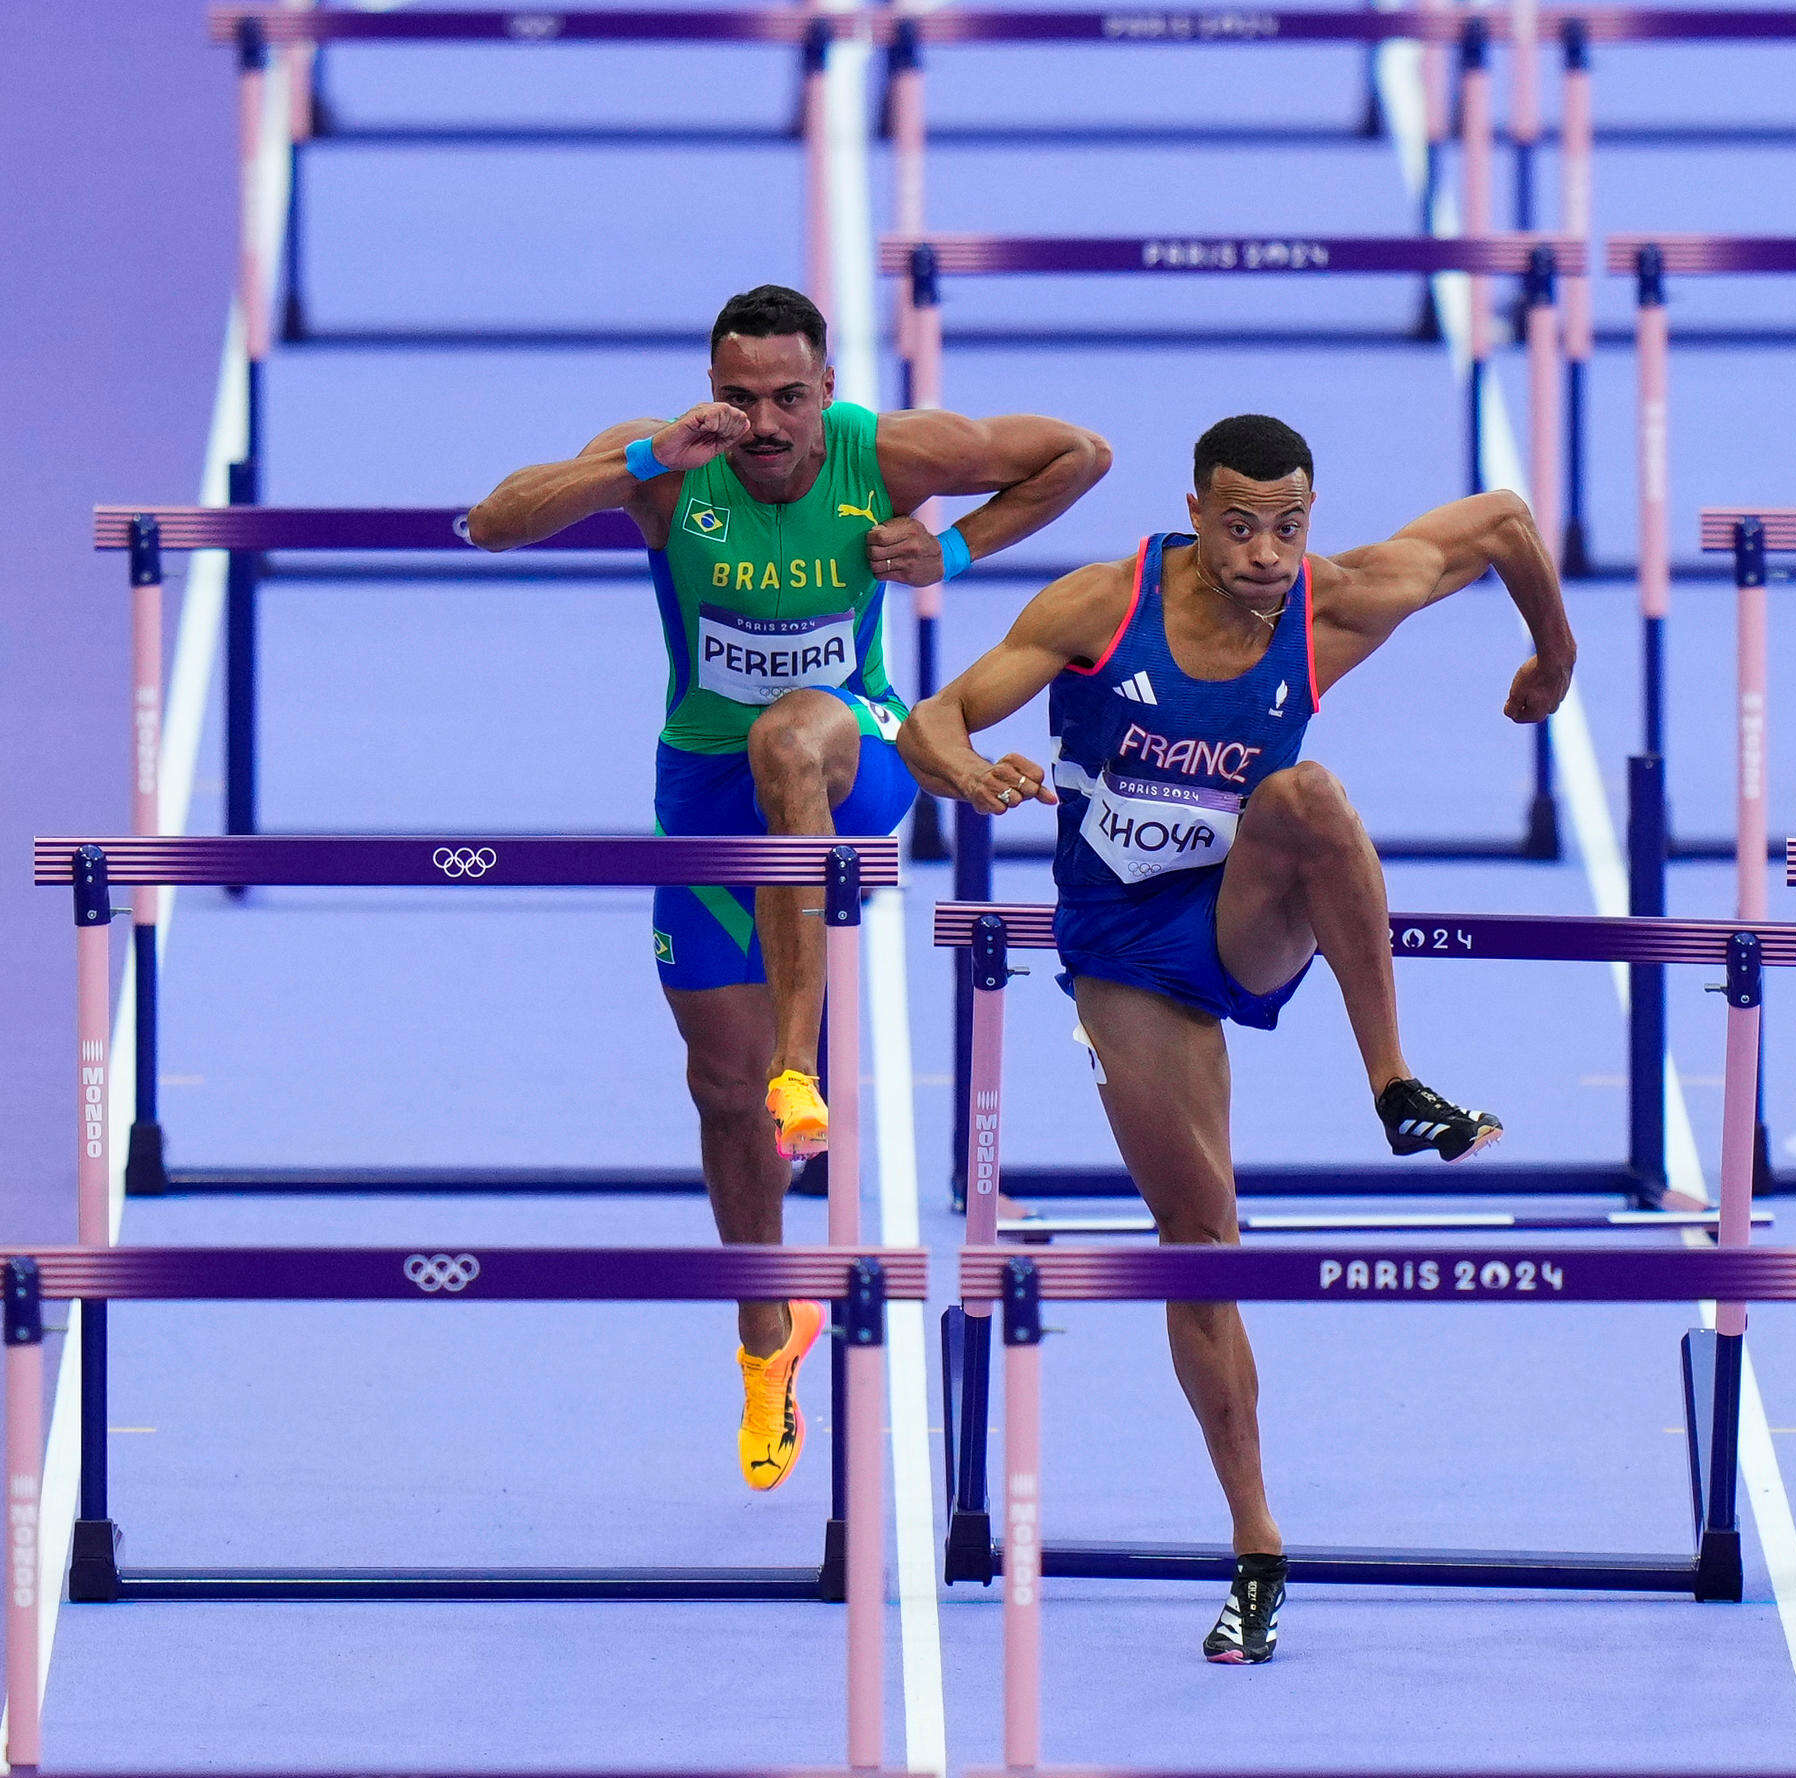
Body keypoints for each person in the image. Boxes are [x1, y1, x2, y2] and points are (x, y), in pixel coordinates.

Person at [903, 413, 1576, 1663]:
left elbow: (1504, 521)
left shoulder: (1335, 607)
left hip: (1241, 914)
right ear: (1196, 515)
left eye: (1289, 525)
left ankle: (1396, 1085)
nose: (1267, 551)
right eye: (1240, 525)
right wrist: (971, 771)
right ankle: (1258, 1547)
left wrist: (1557, 656)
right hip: (1120, 950)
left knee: (1305, 796)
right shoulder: (1104, 607)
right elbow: (934, 719)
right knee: (1201, 1244)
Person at [465, 284, 1109, 1491]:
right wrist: (651, 457)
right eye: (742, 395)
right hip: (701, 792)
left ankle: (800, 1063)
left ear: (827, 390)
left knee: (790, 741)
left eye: (789, 397)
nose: (763, 422)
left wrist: (957, 545)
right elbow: (490, 523)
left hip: (855, 750)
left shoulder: (891, 454)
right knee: (718, 1096)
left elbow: (1082, 452)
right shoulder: (669, 465)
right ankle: (768, 1338)